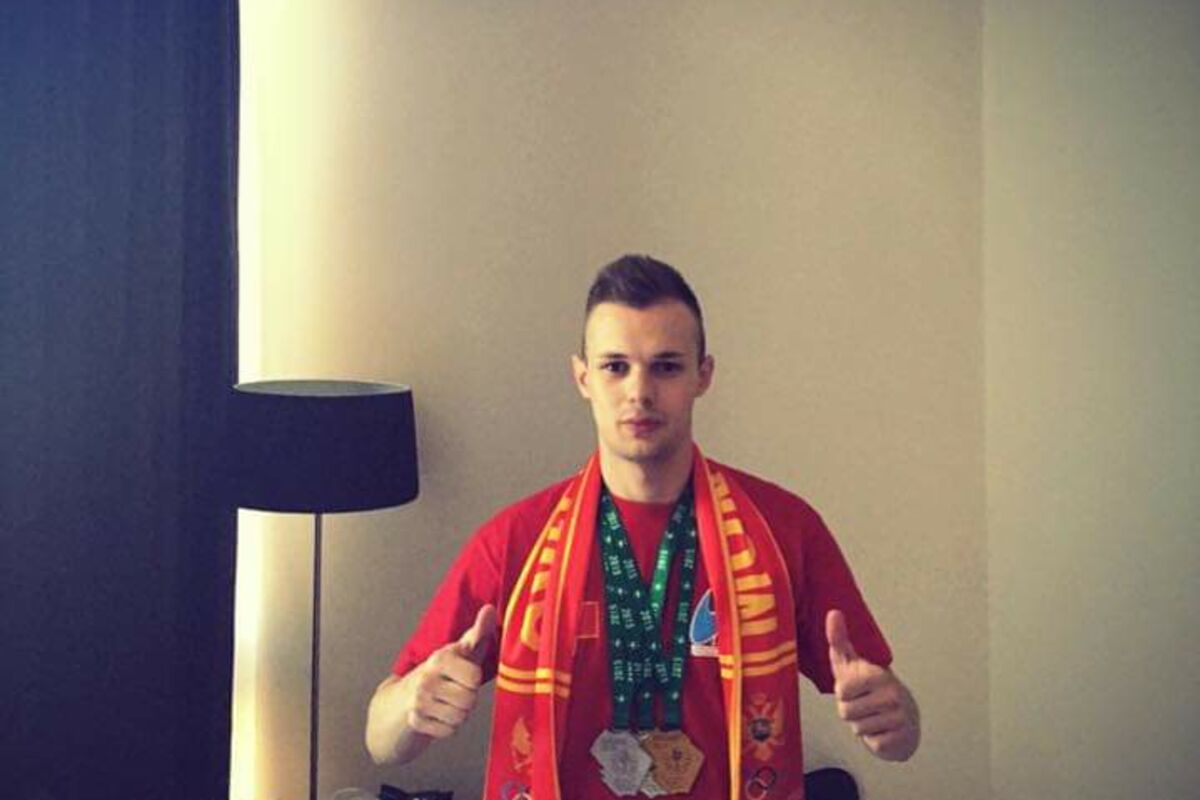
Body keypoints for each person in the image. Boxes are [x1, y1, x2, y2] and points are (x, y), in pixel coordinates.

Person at [366, 255, 920, 800]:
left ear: (703, 375)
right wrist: (415, 703)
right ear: (583, 378)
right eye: (615, 367)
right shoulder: (517, 540)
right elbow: (381, 742)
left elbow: (900, 734)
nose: (639, 391)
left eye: (666, 366)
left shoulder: (784, 530)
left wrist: (894, 719)